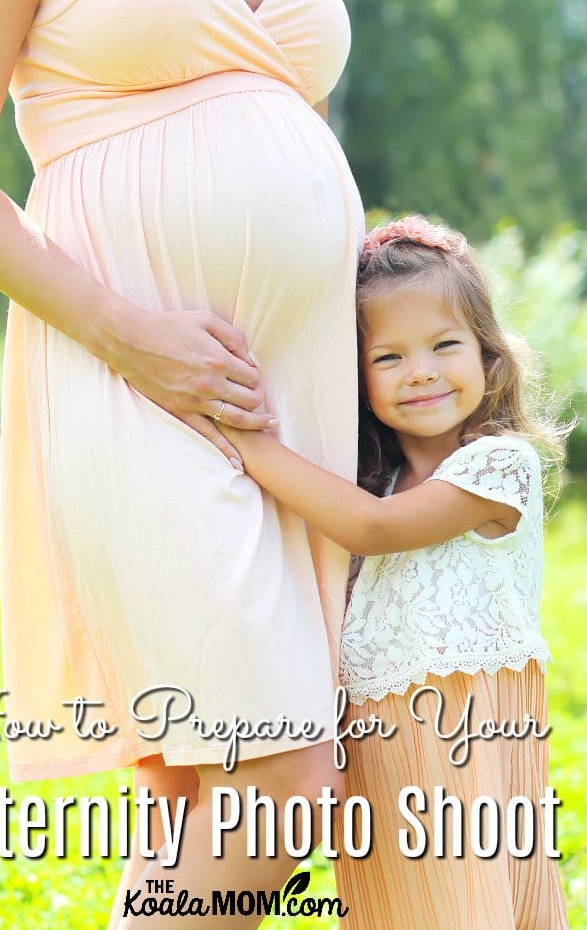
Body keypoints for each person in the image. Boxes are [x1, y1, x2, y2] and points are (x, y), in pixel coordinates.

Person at [0, 0, 364, 923]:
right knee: (278, 781)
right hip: (129, 366)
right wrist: (127, 334)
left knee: (198, 792)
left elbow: (291, 125)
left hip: (294, 396)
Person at [220, 215, 570, 928]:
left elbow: (373, 534)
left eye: (445, 345)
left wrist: (245, 441)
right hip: (380, 741)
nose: (422, 372)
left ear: (489, 357)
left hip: (466, 736)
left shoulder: (500, 466)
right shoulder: (371, 484)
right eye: (389, 358)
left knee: (467, 903)